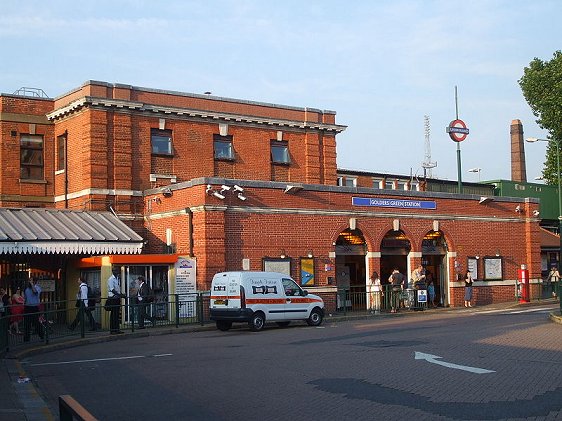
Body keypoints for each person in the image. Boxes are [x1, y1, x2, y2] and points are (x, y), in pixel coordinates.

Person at [107, 267, 124, 334]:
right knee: (113, 314)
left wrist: (121, 295)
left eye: (117, 271)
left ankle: (117, 329)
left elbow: (117, 289)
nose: (117, 272)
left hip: (117, 298)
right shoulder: (111, 279)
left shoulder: (117, 279)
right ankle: (113, 330)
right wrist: (119, 295)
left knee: (116, 314)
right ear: (113, 271)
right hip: (113, 298)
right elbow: (112, 289)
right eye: (115, 271)